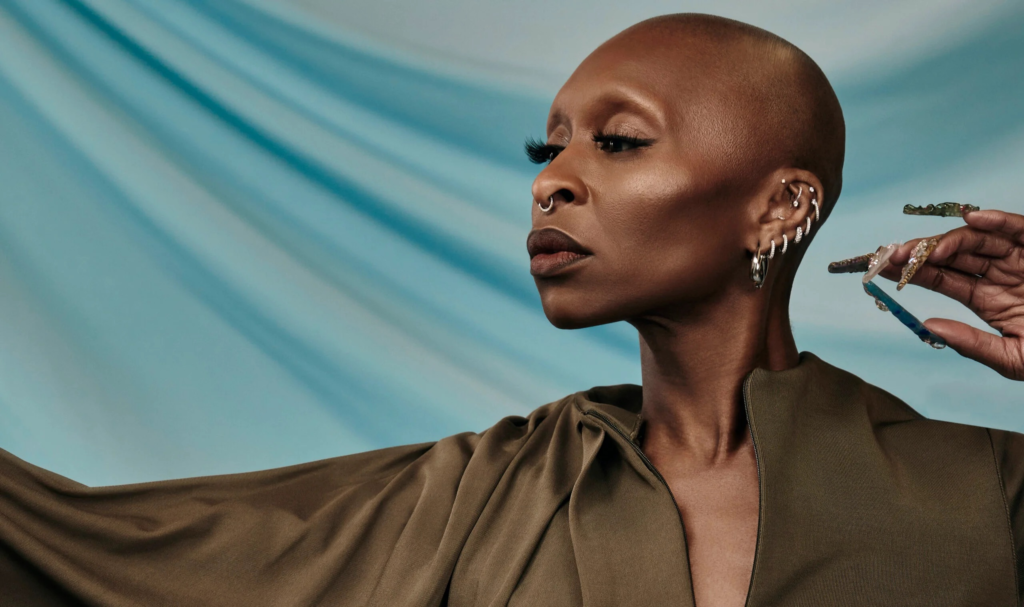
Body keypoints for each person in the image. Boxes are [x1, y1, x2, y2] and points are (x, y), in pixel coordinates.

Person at [1, 12, 1022, 607]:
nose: (551, 182)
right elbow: (91, 553)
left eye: (616, 142)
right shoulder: (473, 498)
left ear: (780, 206)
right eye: (549, 149)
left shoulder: (988, 495)